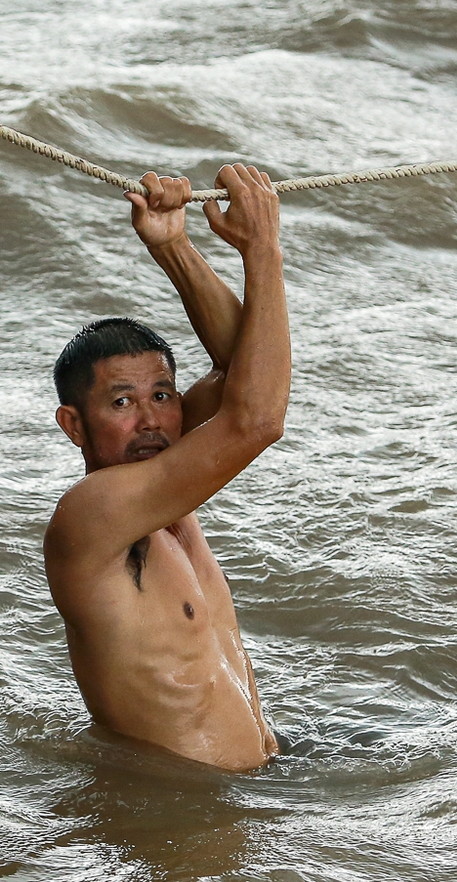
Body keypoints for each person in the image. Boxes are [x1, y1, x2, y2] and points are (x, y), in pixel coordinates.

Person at [44, 164, 291, 772]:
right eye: (122, 403)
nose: (151, 421)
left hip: (248, 796)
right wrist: (262, 250)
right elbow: (259, 418)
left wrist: (173, 246)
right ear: (75, 425)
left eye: (163, 395)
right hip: (181, 815)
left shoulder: (169, 490)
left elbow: (244, 371)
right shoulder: (95, 514)